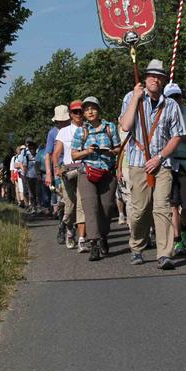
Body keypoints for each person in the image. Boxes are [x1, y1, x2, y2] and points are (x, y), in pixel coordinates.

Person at [119, 58, 186, 269]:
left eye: (159, 77)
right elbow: (126, 125)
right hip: (138, 163)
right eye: (151, 76)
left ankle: (164, 254)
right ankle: (137, 245)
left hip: (162, 164)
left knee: (162, 208)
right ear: (145, 78)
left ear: (163, 80)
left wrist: (160, 157)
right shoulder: (132, 97)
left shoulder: (171, 104)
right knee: (139, 211)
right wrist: (135, 98)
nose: (155, 80)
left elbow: (176, 136)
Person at [71, 96, 121, 261]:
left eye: (93, 108)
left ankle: (104, 236)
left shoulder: (110, 127)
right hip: (87, 173)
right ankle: (93, 244)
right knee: (90, 208)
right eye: (86, 109)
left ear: (99, 110)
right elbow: (74, 154)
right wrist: (87, 152)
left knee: (106, 208)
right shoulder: (81, 130)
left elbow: (118, 149)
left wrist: (109, 152)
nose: (90, 112)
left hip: (107, 172)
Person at [162, 82, 186, 257]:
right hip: (167, 164)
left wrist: (177, 138)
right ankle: (177, 238)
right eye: (170, 97)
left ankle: (184, 226)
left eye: (177, 97)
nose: (174, 100)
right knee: (172, 204)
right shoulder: (160, 114)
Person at [53, 100, 87, 250]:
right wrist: (56, 168)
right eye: (75, 112)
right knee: (70, 206)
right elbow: (56, 153)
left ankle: (82, 239)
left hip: (85, 170)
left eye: (81, 111)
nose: (78, 114)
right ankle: (68, 230)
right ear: (71, 115)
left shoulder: (89, 129)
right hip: (68, 171)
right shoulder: (64, 131)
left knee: (82, 205)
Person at [45, 105, 70, 242]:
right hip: (59, 169)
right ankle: (62, 226)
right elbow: (48, 155)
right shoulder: (52, 133)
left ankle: (75, 227)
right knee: (62, 201)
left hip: (74, 166)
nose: (62, 123)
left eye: (64, 120)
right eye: (59, 121)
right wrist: (49, 173)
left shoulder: (74, 129)